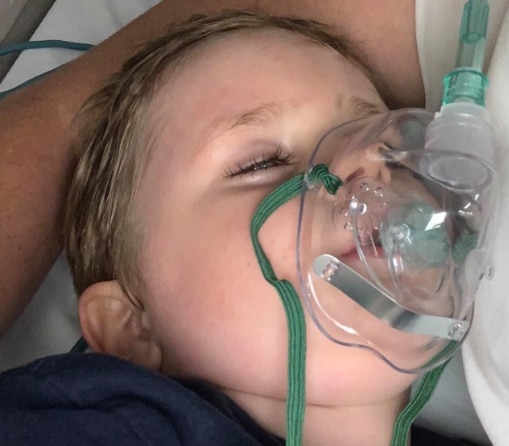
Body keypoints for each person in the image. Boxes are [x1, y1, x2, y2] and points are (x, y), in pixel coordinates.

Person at [0, 11, 474, 446]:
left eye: (386, 147)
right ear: (131, 328)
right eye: (261, 163)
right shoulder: (104, 422)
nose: (365, 170)